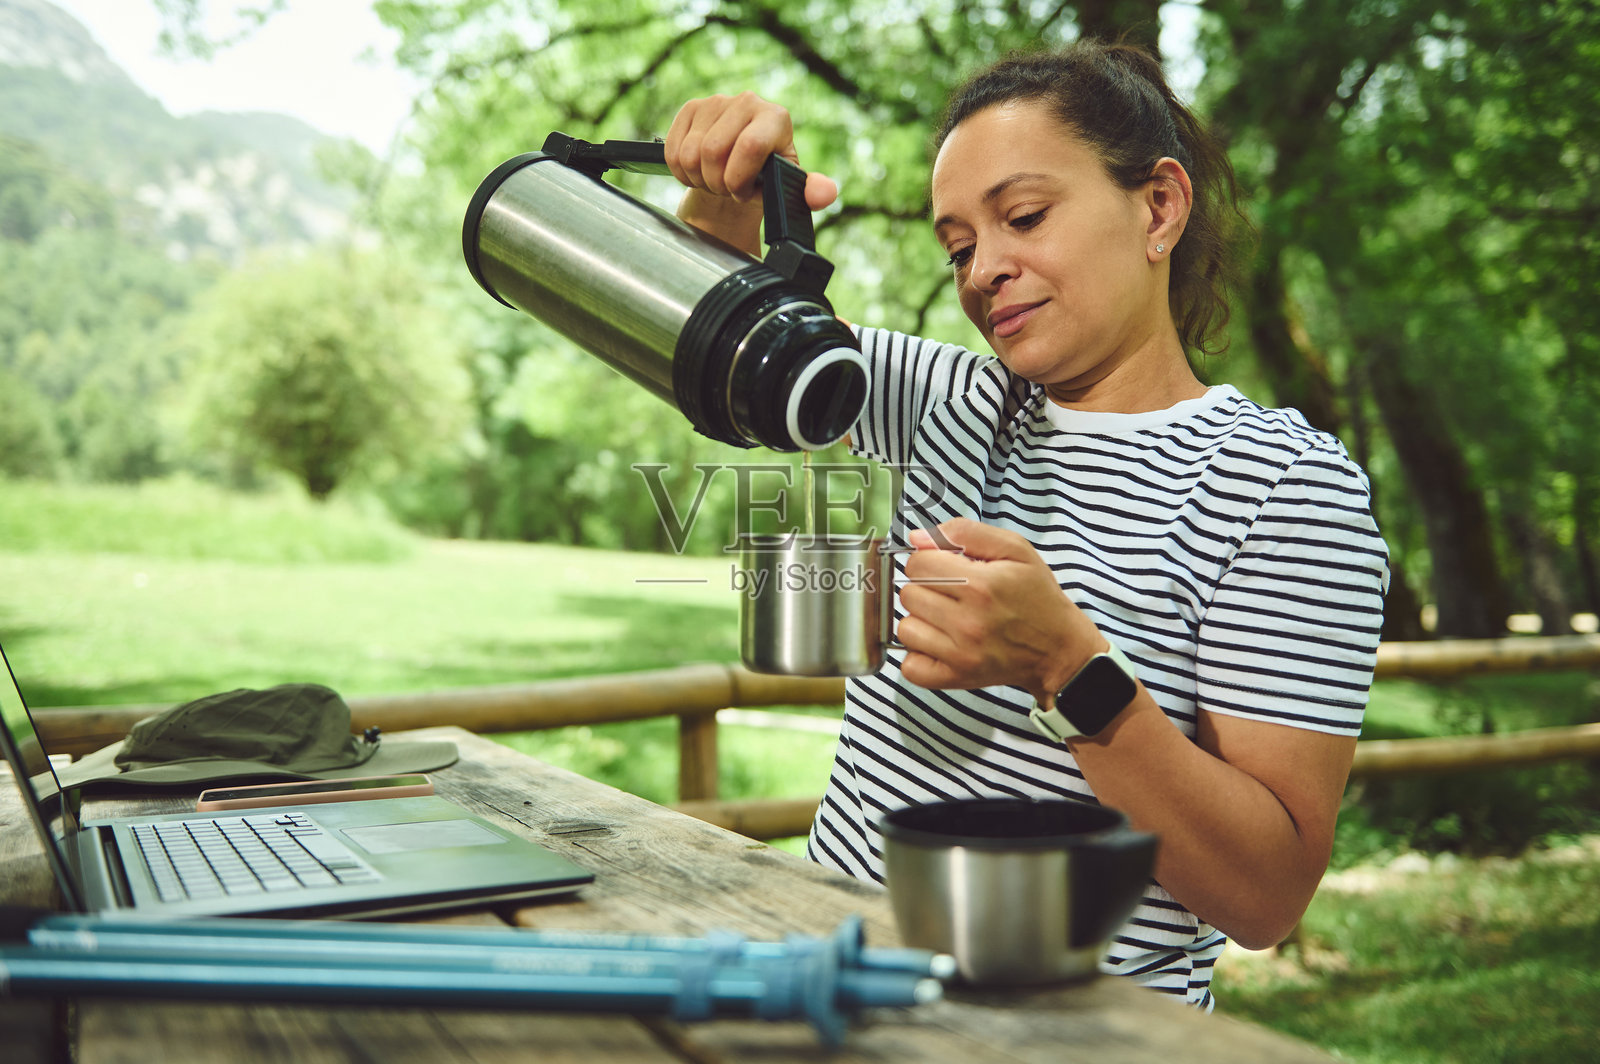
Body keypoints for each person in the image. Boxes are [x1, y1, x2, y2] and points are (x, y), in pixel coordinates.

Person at [665, 41, 1389, 1009]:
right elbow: (703, 343)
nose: (984, 272)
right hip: (831, 986)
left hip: (1069, 1024)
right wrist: (719, 205)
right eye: (959, 245)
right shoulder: (937, 400)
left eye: (1024, 217)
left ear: (1158, 207)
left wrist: (1070, 670)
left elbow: (1265, 893)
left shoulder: (1281, 487)